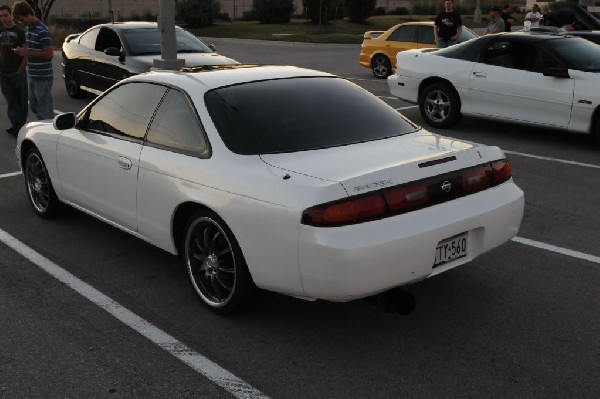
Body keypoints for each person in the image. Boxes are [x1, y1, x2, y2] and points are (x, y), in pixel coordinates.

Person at [12, 1, 54, 120]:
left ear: (29, 14)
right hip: (32, 74)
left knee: (45, 109)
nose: (21, 22)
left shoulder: (42, 30)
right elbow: (30, 49)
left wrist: (27, 52)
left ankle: (47, 132)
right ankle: (45, 124)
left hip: (43, 76)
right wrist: (21, 50)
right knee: (35, 106)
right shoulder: (28, 29)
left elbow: (49, 54)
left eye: (21, 19)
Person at [0, 4, 27, 135]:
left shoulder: (20, 31)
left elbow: (26, 52)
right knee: (11, 101)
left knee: (21, 101)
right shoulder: (0, 30)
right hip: (4, 73)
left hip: (17, 72)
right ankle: (15, 125)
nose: (4, 18)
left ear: (11, 15)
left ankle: (20, 127)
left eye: (6, 15)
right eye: (1, 16)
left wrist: (20, 70)